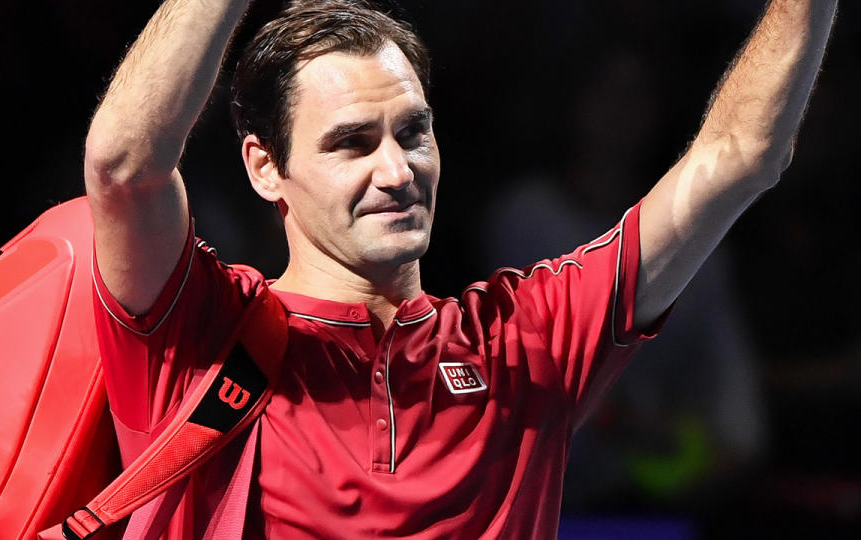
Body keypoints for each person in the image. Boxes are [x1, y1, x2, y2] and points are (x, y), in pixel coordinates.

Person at [83, 0, 838, 538]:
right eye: (351, 143)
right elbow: (124, 168)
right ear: (264, 167)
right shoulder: (199, 334)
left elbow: (740, 156)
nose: (397, 169)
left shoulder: (526, 338)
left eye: (413, 131)